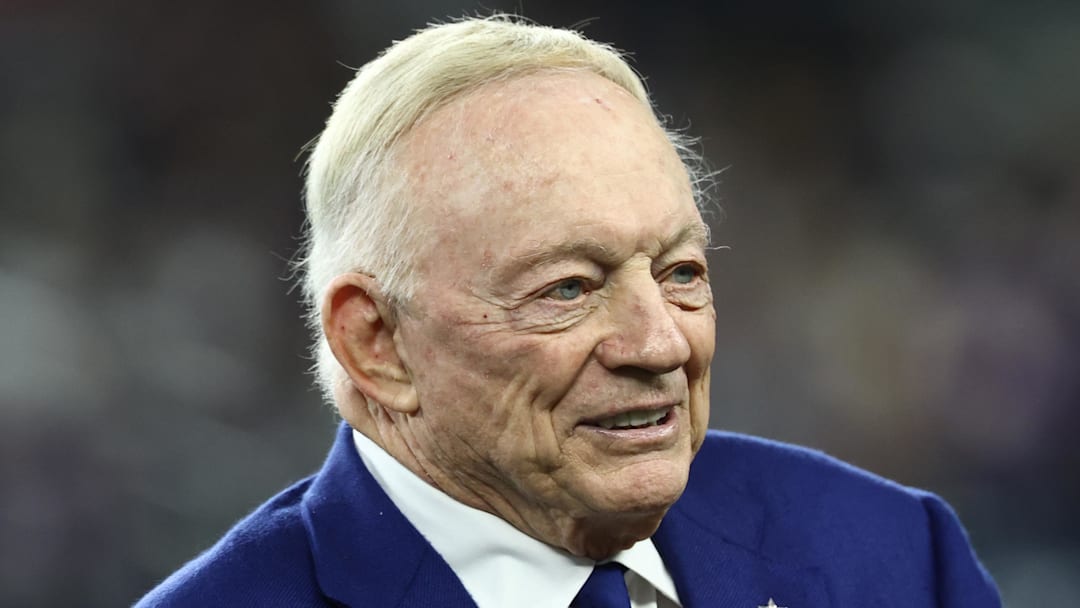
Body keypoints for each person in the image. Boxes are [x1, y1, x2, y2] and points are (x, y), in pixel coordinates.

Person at [136, 16, 1001, 608]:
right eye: (569, 289)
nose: (659, 342)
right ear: (377, 345)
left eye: (680, 271)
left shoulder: (892, 553)